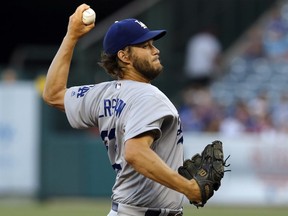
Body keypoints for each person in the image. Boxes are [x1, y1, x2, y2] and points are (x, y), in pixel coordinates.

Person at [42, 4, 201, 216]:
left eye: (152, 44)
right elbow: (135, 152)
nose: (155, 50)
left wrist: (71, 36)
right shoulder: (148, 96)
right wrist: (188, 188)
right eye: (145, 46)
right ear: (124, 56)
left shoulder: (103, 94)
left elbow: (53, 94)